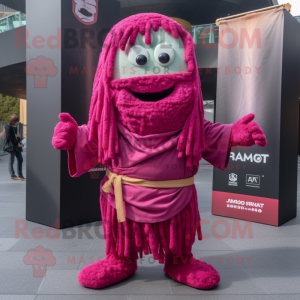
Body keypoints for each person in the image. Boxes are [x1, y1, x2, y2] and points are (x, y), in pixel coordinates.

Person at [5, 114, 25, 180]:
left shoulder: (15, 127)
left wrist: (19, 142)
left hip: (16, 146)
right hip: (11, 146)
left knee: (20, 159)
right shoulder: (8, 126)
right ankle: (13, 175)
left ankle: (20, 175)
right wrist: (17, 143)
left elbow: (17, 135)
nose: (17, 122)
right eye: (17, 121)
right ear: (13, 121)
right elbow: (9, 137)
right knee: (11, 160)